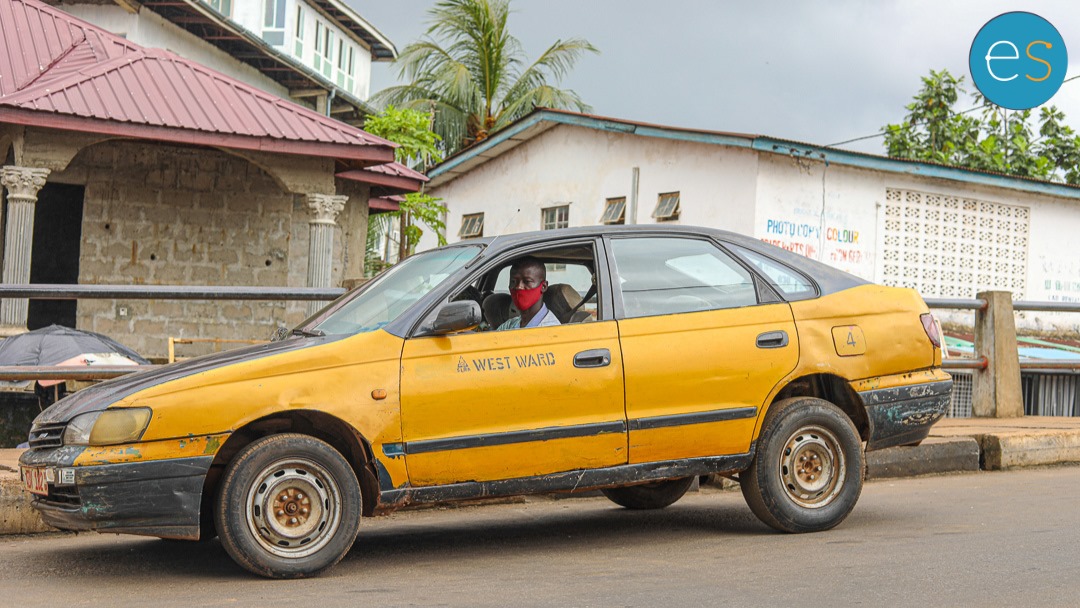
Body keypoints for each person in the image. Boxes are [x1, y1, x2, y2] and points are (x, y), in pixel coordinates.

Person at [497, 256, 561, 330]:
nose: (518, 287)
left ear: (543, 286)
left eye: (527, 281)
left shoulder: (552, 329)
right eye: (513, 281)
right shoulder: (510, 325)